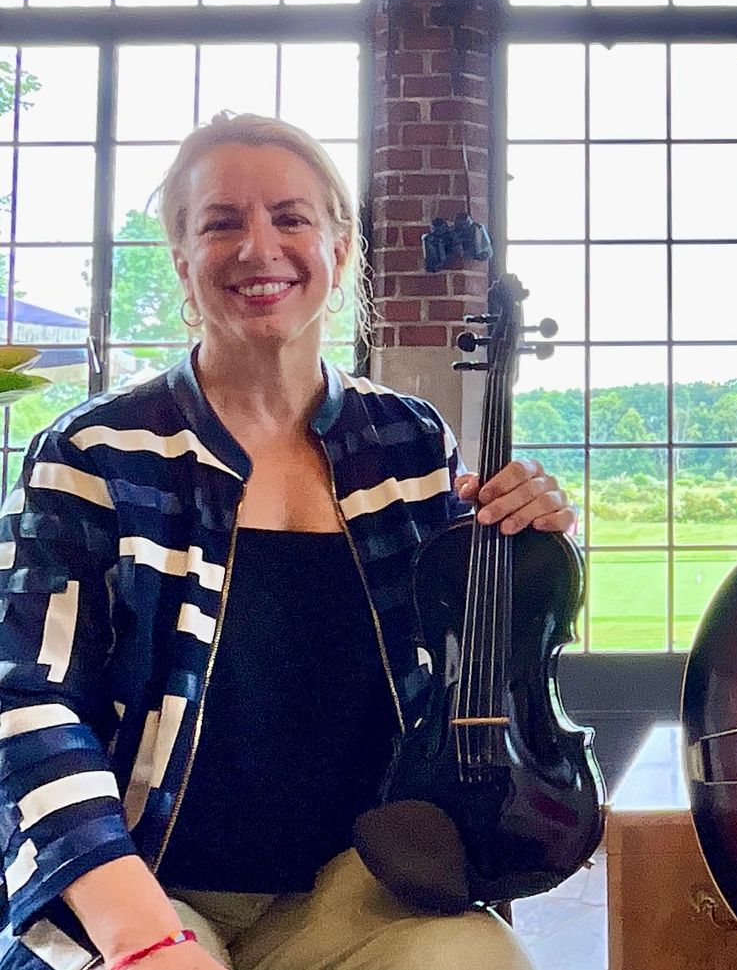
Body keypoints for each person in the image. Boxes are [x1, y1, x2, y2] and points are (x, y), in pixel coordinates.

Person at [0, 114, 576, 970]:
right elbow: (26, 702)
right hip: (145, 880)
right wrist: (140, 934)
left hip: (361, 882)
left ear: (339, 252)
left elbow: (476, 659)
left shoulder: (409, 444)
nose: (258, 247)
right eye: (221, 222)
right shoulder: (94, 451)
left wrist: (529, 540)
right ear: (183, 261)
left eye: (290, 217)